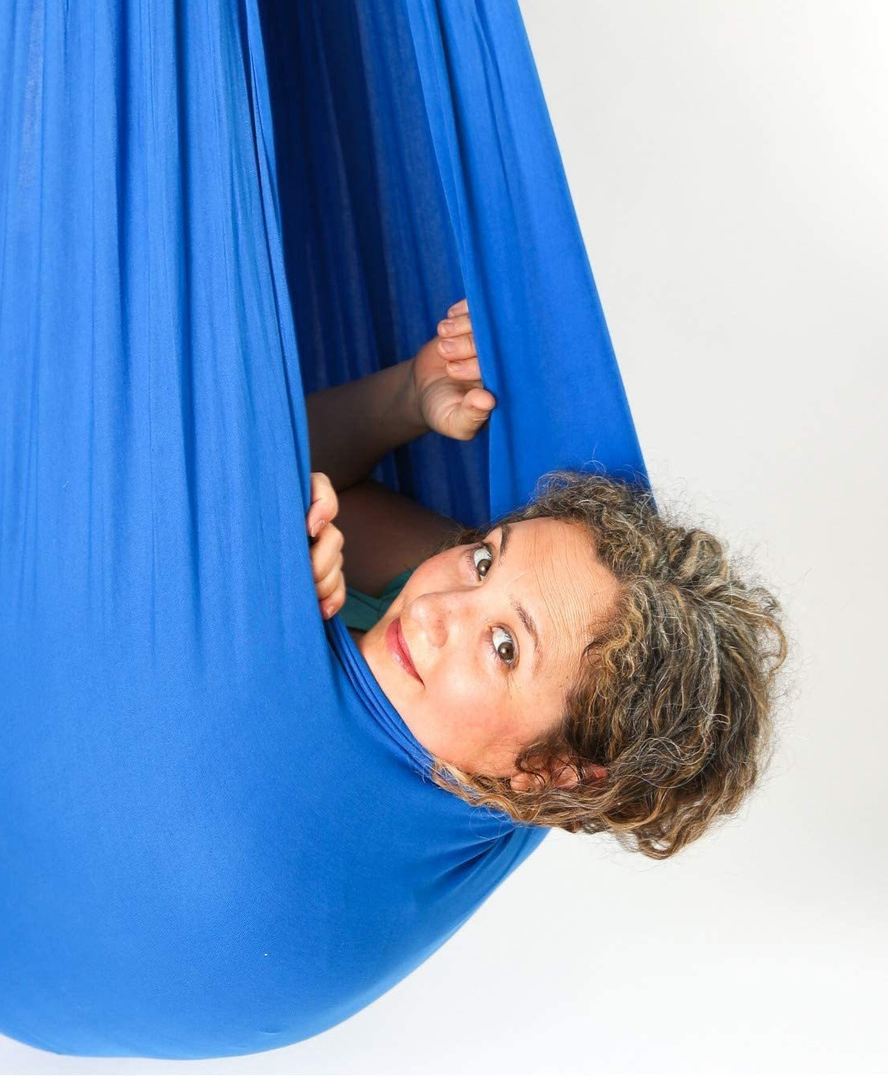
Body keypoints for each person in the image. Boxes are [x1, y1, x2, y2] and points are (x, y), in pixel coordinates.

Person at [304, 300, 788, 860]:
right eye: (483, 561)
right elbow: (304, 476)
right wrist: (406, 397)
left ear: (552, 771)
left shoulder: (356, 838)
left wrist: (275, 615)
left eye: (504, 646)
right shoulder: (423, 599)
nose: (429, 609)